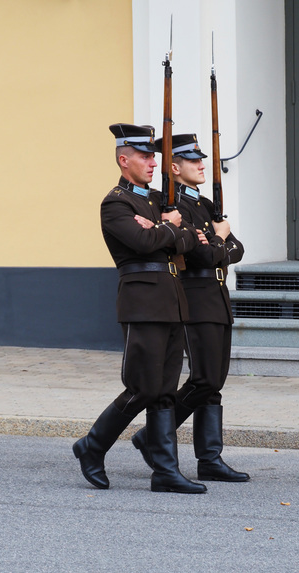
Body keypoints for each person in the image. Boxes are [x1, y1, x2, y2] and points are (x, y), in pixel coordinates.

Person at [72, 124, 207, 494]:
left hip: (171, 298)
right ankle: (92, 445)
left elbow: (190, 242)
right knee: (142, 386)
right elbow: (142, 242)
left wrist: (164, 229)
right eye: (145, 156)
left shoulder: (155, 201)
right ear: (123, 159)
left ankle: (165, 471)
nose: (152, 163)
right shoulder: (116, 203)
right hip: (142, 302)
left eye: (153, 156)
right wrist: (167, 229)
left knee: (164, 389)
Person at [131, 133, 250, 482]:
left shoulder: (205, 204)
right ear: (174, 167)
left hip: (216, 296)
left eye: (202, 159)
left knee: (214, 382)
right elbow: (202, 254)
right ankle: (152, 437)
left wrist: (220, 242)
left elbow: (237, 249)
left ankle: (210, 459)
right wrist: (221, 240)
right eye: (192, 160)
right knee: (203, 379)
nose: (202, 164)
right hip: (195, 297)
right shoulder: (176, 206)